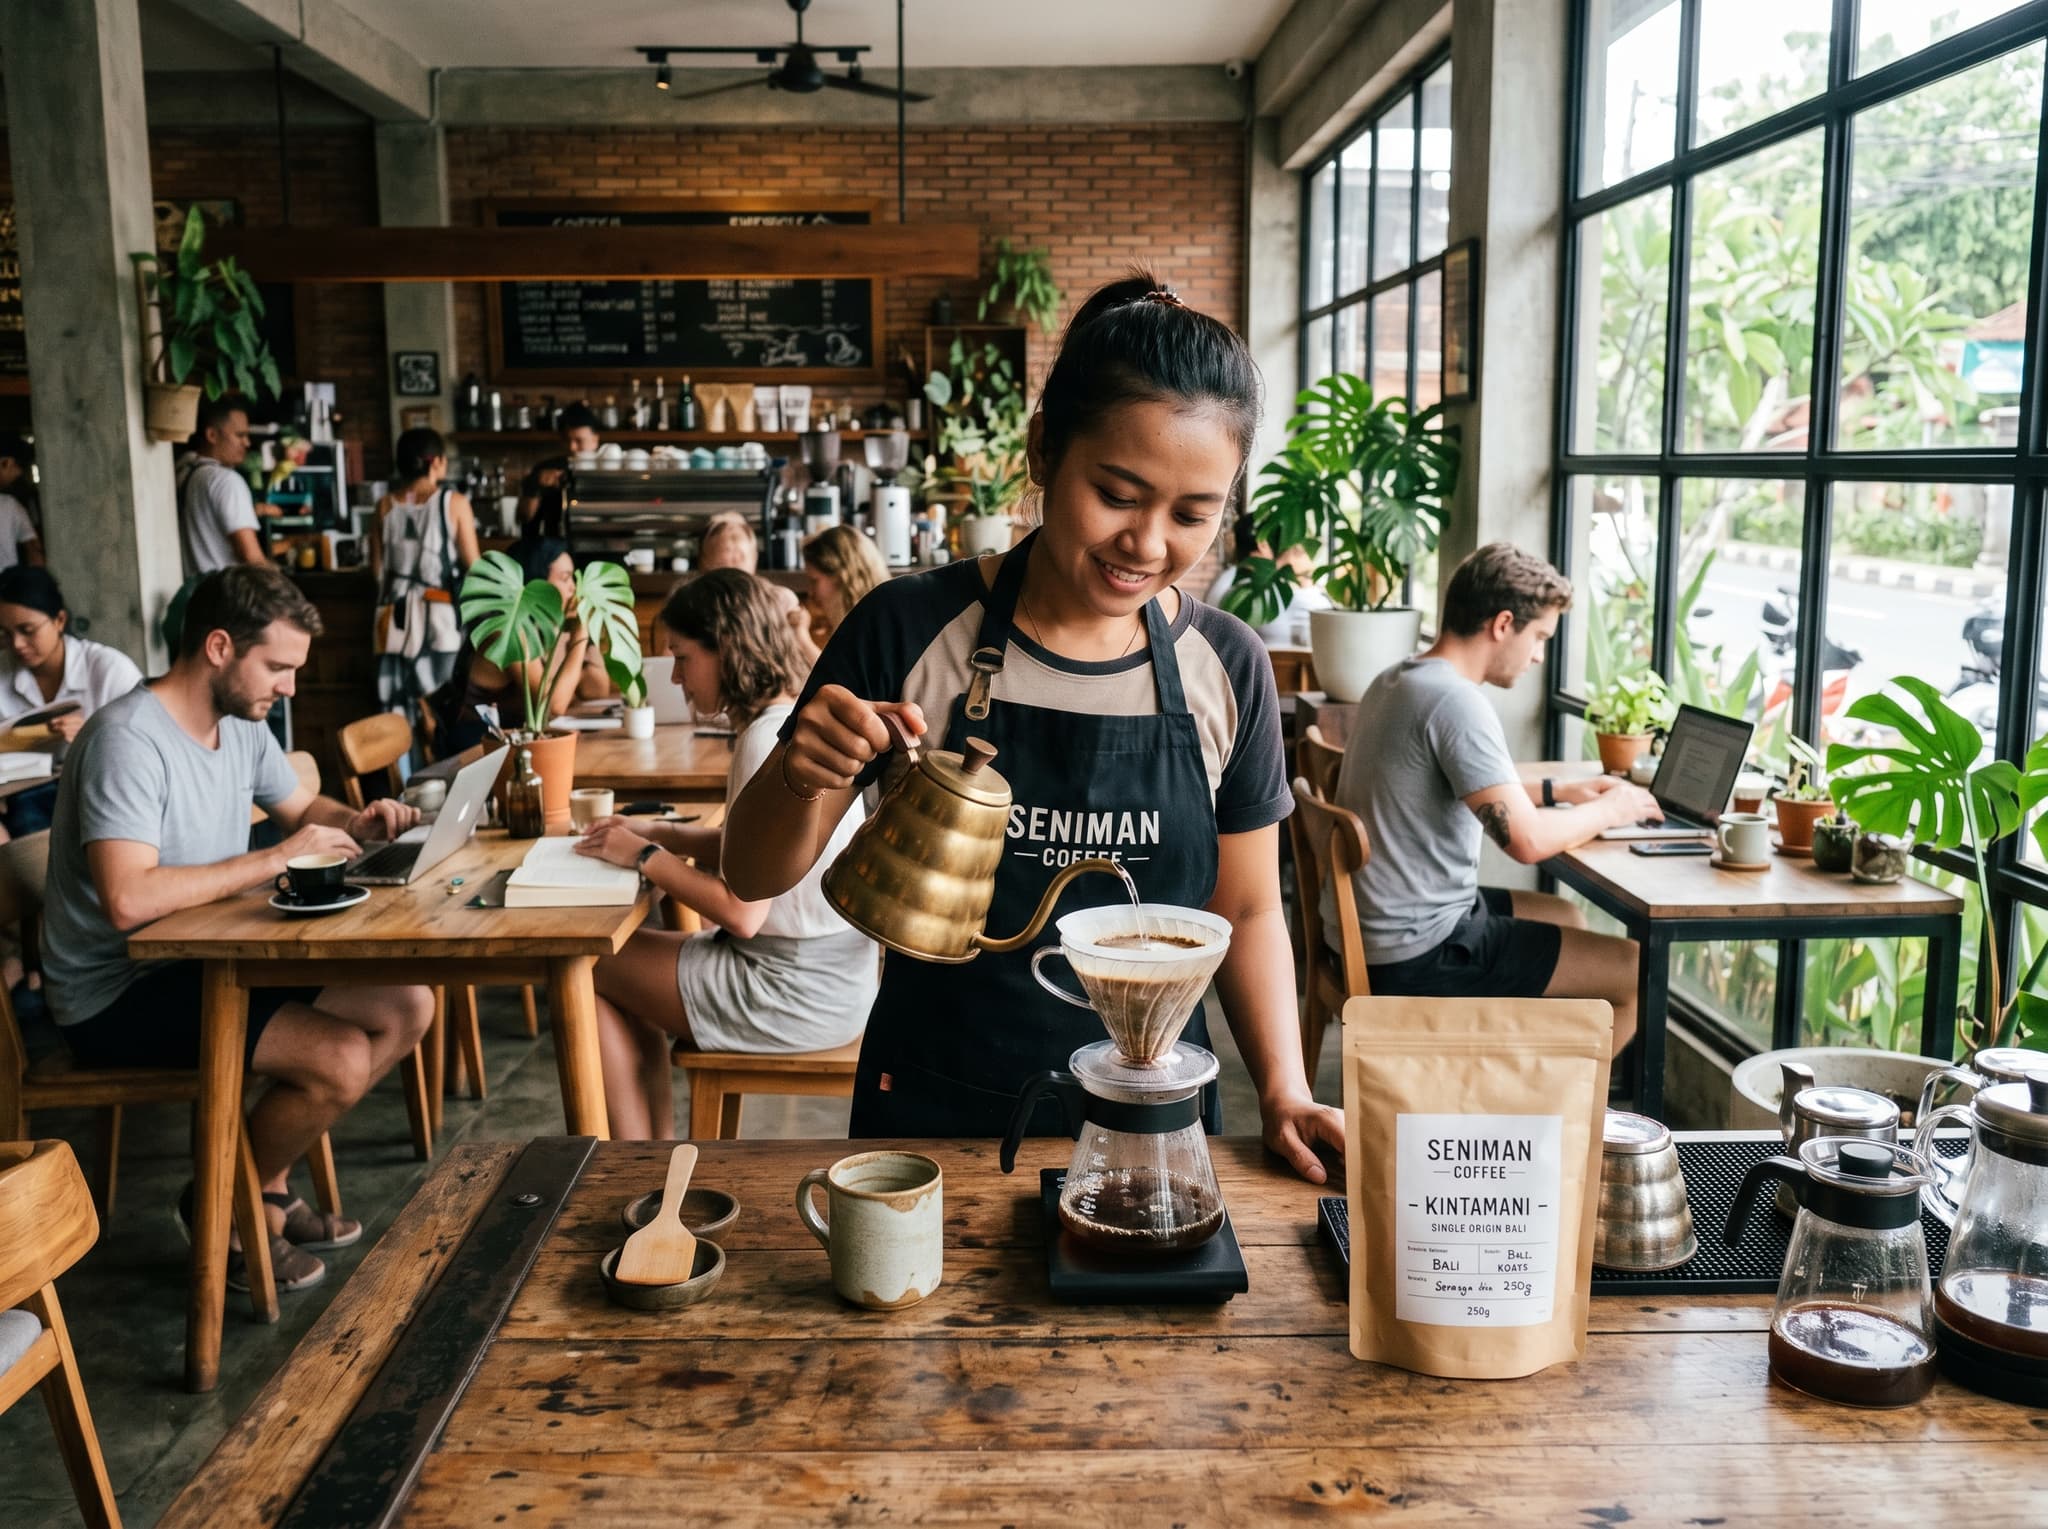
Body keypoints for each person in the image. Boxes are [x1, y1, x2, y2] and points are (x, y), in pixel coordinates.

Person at [723, 274, 1343, 1184]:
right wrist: (800, 775)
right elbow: (750, 873)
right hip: (934, 1112)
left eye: (1191, 514)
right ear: (1046, 448)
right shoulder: (905, 627)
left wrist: (1285, 1088)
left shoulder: (1229, 665)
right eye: (1119, 493)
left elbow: (1246, 909)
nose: (1147, 541)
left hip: (1155, 1126)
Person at [41, 565, 434, 1290]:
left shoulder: (239, 726)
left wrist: (357, 821)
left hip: (209, 955)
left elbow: (299, 813)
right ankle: (231, 1209)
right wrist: (270, 861)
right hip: (117, 990)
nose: (288, 687)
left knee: (409, 1002)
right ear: (219, 646)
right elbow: (127, 901)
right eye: (278, 667)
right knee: (341, 1057)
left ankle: (256, 1188)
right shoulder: (129, 739)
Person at [1329, 543, 1661, 1057]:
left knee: (1565, 918)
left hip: (1389, 924)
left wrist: (1563, 791)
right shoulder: (1456, 702)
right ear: (1504, 624)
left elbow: (1467, 784)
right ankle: (1543, 1116)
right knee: (1639, 972)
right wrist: (1615, 809)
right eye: (1540, 637)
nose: (1539, 656)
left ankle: (1520, 1077)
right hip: (1421, 949)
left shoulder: (1400, 680)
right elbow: (1525, 842)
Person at [576, 570, 876, 1139]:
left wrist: (643, 856)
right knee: (621, 971)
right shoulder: (787, 721)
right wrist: (670, 837)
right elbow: (773, 858)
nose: (676, 677)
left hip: (792, 992)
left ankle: (632, 1161)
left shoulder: (766, 739)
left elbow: (743, 912)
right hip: (841, 982)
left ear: (727, 649)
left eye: (683, 657)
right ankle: (649, 1154)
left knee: (589, 965)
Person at [0, 567, 143, 835]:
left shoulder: (109, 670)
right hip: (21, 800)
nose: (17, 644)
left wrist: (92, 739)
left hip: (98, 794)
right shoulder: (3, 673)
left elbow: (146, 744)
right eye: (5, 634)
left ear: (59, 620)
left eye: (27, 630)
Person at [371, 427, 480, 741]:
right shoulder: (453, 502)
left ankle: (403, 772)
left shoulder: (384, 506)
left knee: (396, 701)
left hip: (393, 619)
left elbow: (377, 572)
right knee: (443, 697)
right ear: (437, 463)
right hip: (439, 618)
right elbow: (474, 565)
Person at [436, 537, 593, 753]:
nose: (573, 589)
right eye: (565, 579)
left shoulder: (537, 629)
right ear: (534, 583)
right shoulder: (509, 631)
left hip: (509, 745)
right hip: (476, 750)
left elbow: (587, 690)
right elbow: (554, 704)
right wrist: (581, 631)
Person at [700, 511, 819, 670]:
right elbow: (668, 668)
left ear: (755, 558)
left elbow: (820, 673)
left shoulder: (780, 601)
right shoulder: (692, 606)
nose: (733, 584)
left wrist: (800, 634)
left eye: (741, 571)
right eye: (723, 571)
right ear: (703, 564)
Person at [177, 396, 270, 573]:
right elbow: (251, 557)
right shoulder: (226, 481)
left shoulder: (183, 470)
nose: (247, 443)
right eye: (239, 435)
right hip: (228, 595)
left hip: (194, 593)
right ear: (212, 435)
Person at [515, 403, 602, 543]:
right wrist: (534, 486)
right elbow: (523, 518)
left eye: (579, 441)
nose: (572, 447)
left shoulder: (608, 470)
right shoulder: (547, 468)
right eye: (568, 440)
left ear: (595, 439)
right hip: (555, 549)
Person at [801, 522, 890, 648]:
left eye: (814, 581)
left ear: (842, 577)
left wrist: (802, 638)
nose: (811, 592)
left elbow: (831, 668)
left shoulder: (874, 632)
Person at [0, 433, 44, 572]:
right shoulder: (10, 505)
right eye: (19, 467)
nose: (18, 474)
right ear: (7, 463)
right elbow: (34, 551)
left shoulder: (10, 504)